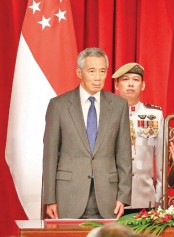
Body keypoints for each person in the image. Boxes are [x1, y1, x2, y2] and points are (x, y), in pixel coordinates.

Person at [43, 48, 132, 219]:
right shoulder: (58, 106)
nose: (98, 77)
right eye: (92, 71)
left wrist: (124, 196)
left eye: (102, 71)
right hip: (67, 196)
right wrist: (49, 199)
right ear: (79, 72)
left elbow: (124, 154)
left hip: (108, 198)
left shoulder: (119, 105)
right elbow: (50, 156)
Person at [113, 63, 164, 212]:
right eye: (125, 79)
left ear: (143, 85)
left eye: (135, 79)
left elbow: (160, 160)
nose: (130, 84)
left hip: (144, 195)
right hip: (112, 197)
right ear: (117, 85)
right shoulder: (105, 114)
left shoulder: (155, 115)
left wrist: (159, 198)